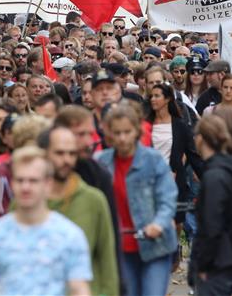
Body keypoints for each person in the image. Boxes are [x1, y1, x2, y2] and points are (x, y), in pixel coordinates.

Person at [0, 147, 92, 296]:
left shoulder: (70, 236)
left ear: (48, 184)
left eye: (33, 181)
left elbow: (79, 289)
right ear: (12, 183)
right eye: (20, 180)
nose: (25, 187)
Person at [97, 103, 178, 296]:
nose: (122, 138)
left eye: (127, 131)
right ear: (109, 133)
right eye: (117, 133)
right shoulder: (101, 162)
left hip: (154, 245)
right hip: (120, 246)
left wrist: (158, 224)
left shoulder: (153, 160)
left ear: (137, 131)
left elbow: (167, 198)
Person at [39, 127, 119, 296]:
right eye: (59, 153)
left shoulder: (94, 200)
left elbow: (107, 257)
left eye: (71, 154)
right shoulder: (28, 200)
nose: (66, 160)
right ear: (45, 155)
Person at [191, 115, 232, 296]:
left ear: (202, 138)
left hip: (217, 264)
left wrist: (202, 265)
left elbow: (211, 226)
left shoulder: (214, 176)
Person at [147, 84, 204, 230]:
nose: (153, 99)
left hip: (174, 181)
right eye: (151, 96)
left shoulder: (180, 126)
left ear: (167, 99)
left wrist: (208, 178)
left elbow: (193, 156)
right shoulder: (146, 125)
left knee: (176, 224)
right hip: (150, 181)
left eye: (157, 96)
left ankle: (175, 250)